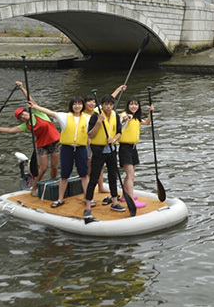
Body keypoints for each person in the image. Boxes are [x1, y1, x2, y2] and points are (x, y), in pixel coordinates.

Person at [0, 83, 61, 196]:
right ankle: (34, 187)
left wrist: (22, 88)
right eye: (21, 117)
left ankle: (54, 185)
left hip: (55, 141)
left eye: (23, 114)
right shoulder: (26, 125)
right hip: (42, 145)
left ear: (27, 111)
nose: (23, 116)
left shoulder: (38, 112)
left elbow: (29, 99)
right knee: (43, 168)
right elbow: (11, 130)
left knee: (54, 166)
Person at [28, 95, 90, 208]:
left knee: (84, 175)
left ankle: (87, 198)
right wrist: (35, 107)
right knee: (64, 175)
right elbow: (49, 112)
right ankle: (60, 199)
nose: (77, 106)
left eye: (79, 104)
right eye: (75, 104)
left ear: (82, 105)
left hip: (81, 149)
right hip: (67, 148)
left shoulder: (88, 118)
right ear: (71, 106)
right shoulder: (65, 116)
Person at [84, 94, 123, 222]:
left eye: (110, 105)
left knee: (113, 176)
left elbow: (119, 132)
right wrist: (99, 123)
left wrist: (113, 139)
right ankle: (88, 205)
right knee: (94, 177)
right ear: (102, 105)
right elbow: (90, 134)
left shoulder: (115, 116)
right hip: (98, 150)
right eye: (106, 104)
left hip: (111, 150)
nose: (108, 107)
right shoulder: (95, 116)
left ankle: (114, 202)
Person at [118, 97, 153, 208]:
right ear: (128, 105)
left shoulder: (137, 118)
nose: (134, 106)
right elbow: (123, 119)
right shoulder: (124, 115)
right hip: (125, 148)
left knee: (130, 174)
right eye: (131, 104)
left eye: (136, 104)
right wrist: (126, 118)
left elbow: (147, 123)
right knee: (131, 175)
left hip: (133, 148)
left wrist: (150, 112)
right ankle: (132, 200)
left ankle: (125, 195)